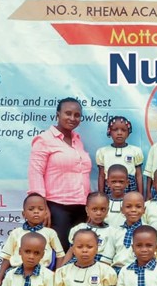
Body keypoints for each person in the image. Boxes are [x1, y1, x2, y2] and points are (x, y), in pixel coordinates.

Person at [28, 97, 92, 250]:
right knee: (59, 253)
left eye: (77, 115)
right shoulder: (44, 140)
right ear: (58, 114)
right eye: (68, 113)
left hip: (81, 207)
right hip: (57, 207)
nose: (72, 118)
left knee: (78, 253)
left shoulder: (77, 141)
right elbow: (35, 173)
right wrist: (42, 207)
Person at [0, 193, 64, 286]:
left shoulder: (50, 233)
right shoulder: (16, 233)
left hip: (42, 273)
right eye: (31, 209)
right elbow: (7, 257)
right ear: (23, 214)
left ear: (46, 213)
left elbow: (60, 255)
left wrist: (57, 274)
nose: (36, 212)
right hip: (16, 272)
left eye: (40, 209)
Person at [62, 192, 114, 265]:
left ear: (107, 210)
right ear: (87, 210)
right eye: (94, 209)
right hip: (76, 264)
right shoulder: (78, 228)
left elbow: (107, 260)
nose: (98, 213)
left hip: (97, 265)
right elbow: (71, 251)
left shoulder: (112, 232)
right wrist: (61, 269)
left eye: (103, 209)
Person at [96, 115, 143, 195]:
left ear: (128, 133)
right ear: (109, 132)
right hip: (110, 188)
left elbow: (138, 175)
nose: (119, 133)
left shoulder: (135, 151)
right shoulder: (102, 152)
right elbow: (101, 176)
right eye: (115, 130)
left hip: (130, 188)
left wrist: (140, 194)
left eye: (123, 130)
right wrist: (101, 195)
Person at [110, 192, 145, 274]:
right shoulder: (115, 232)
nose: (133, 210)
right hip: (116, 270)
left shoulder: (148, 232)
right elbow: (108, 257)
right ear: (122, 210)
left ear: (144, 210)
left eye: (138, 206)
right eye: (128, 207)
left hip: (137, 271)